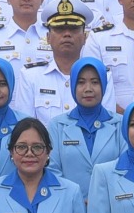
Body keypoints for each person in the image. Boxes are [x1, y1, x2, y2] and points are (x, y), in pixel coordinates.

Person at [46, 56, 122, 184]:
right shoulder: (56, 125)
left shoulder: (121, 123)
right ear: (73, 86)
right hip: (69, 202)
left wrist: (102, 197)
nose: (88, 89)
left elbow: (124, 168)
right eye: (81, 82)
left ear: (104, 85)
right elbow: (52, 170)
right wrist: (74, 198)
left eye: (95, 82)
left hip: (111, 202)